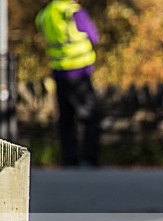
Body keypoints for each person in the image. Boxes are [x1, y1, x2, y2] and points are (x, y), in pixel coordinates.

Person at [36, 0, 101, 167]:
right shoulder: (73, 12)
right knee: (90, 116)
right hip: (79, 71)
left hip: (59, 71)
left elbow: (41, 30)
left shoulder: (46, 13)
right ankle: (89, 158)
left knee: (66, 119)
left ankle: (69, 160)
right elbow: (94, 36)